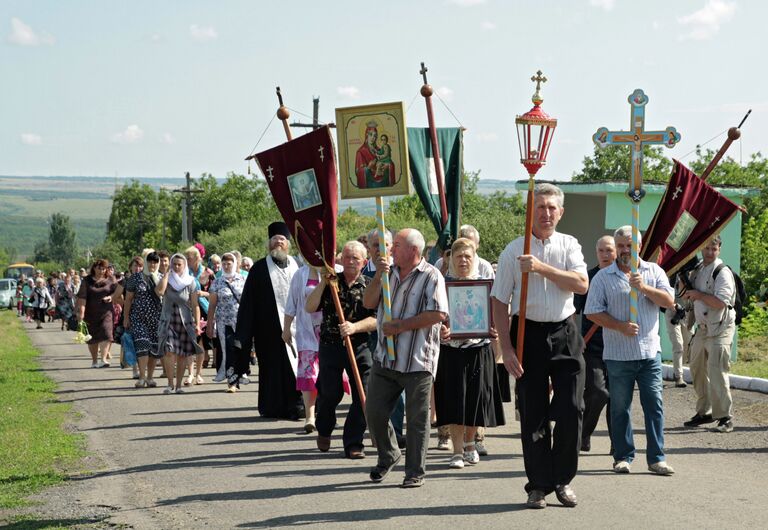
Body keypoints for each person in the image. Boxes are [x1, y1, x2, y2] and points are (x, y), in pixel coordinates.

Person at [490, 183, 588, 509]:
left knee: (572, 407)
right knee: (533, 411)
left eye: (551, 208)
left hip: (564, 331)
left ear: (561, 212)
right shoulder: (513, 250)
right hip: (526, 334)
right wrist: (506, 349)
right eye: (540, 207)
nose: (545, 213)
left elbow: (580, 283)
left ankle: (563, 480)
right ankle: (538, 485)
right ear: (530, 212)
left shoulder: (569, 245)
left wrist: (541, 268)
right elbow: (499, 301)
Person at [585, 226, 676, 476]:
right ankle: (623, 456)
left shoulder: (653, 271)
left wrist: (645, 288)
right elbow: (592, 311)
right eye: (621, 246)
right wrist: (619, 326)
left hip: (649, 354)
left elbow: (669, 302)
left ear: (639, 246)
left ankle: (657, 458)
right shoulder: (604, 277)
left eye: (630, 245)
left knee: (654, 405)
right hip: (618, 355)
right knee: (620, 407)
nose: (625, 250)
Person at [364, 228, 448, 488]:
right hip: (385, 359)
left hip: (417, 360)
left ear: (413, 250)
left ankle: (414, 471)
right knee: (374, 411)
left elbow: (437, 314)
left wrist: (401, 326)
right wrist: (379, 274)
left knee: (417, 419)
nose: (390, 250)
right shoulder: (387, 274)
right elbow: (368, 303)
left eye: (396, 245)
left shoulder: (431, 276)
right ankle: (389, 453)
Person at [434, 238, 504, 469]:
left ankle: (470, 444)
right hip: (451, 352)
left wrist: (494, 329)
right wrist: (442, 328)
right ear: (451, 259)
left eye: (467, 256)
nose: (463, 260)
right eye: (458, 256)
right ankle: (456, 451)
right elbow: (435, 316)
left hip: (479, 350)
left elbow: (497, 314)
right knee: (454, 401)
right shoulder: (442, 285)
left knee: (475, 401)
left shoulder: (487, 286)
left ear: (475, 258)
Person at [307, 241, 377, 458]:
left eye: (355, 258)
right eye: (346, 257)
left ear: (364, 262)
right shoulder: (331, 283)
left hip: (360, 345)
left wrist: (355, 327)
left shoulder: (370, 284)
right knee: (330, 393)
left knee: (364, 394)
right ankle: (325, 428)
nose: (350, 261)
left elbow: (378, 319)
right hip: (331, 345)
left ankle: (353, 442)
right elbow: (309, 307)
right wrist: (322, 284)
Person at [235, 222, 304, 420]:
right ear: (269, 244)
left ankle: (297, 405)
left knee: (297, 366)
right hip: (268, 331)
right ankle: (272, 407)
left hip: (298, 328)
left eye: (281, 240)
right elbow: (248, 304)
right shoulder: (258, 269)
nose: (278, 244)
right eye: (274, 240)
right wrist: (244, 336)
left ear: (288, 244)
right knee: (272, 369)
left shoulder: (298, 266)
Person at [683, 236, 737, 433]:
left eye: (713, 248)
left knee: (716, 370)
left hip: (720, 328)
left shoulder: (722, 272)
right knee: (697, 368)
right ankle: (704, 412)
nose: (709, 252)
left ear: (719, 249)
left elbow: (721, 302)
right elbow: (687, 293)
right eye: (705, 248)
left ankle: (725, 417)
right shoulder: (698, 268)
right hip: (702, 328)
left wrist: (698, 295)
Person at [573, 235, 616, 452]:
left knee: (617, 397)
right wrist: (574, 340)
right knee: (599, 392)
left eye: (609, 250)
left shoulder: (624, 277)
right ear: (596, 252)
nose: (606, 255)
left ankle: (616, 443)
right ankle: (584, 433)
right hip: (592, 346)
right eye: (602, 251)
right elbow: (573, 311)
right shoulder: (587, 278)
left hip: (619, 346)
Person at [283, 263, 324, 431]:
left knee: (329, 377)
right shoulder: (300, 275)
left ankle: (327, 414)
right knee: (308, 375)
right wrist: (286, 329)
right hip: (306, 332)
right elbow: (291, 302)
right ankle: (310, 417)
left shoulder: (336, 271)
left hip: (331, 334)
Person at [156, 253, 203, 394]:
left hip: (185, 322)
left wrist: (197, 324)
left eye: (179, 264)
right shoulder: (166, 279)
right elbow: (159, 291)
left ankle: (179, 386)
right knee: (169, 351)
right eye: (174, 264)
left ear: (184, 266)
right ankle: (170, 384)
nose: (176, 267)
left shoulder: (191, 282)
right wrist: (166, 274)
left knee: (183, 354)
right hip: (169, 320)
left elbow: (195, 305)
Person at [207, 252, 246, 391]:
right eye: (224, 263)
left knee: (239, 349)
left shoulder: (242, 280)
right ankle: (232, 381)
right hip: (224, 322)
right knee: (228, 349)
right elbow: (212, 305)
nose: (226, 266)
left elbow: (249, 302)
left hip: (240, 322)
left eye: (229, 263)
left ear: (234, 264)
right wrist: (210, 325)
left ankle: (240, 374)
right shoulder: (217, 282)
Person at [123, 252, 163, 388]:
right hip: (138, 318)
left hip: (157, 319)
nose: (152, 265)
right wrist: (126, 317)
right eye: (150, 262)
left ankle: (150, 378)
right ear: (146, 262)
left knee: (153, 349)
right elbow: (128, 299)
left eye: (155, 262)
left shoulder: (162, 277)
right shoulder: (135, 278)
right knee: (142, 346)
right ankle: (141, 377)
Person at [76, 260, 118, 368]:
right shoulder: (87, 280)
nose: (101, 271)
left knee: (107, 333)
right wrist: (81, 313)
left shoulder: (111, 279)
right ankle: (94, 360)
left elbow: (117, 292)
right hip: (91, 313)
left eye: (104, 268)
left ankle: (103, 359)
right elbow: (82, 297)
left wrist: (111, 297)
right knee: (92, 338)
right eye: (99, 268)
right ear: (94, 268)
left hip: (106, 312)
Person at [185, 245, 215, 384]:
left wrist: (204, 293)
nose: (187, 261)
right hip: (188, 308)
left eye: (189, 258)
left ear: (197, 258)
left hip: (205, 309)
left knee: (201, 341)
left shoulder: (208, 273)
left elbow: (216, 293)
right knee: (189, 341)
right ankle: (190, 373)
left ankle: (199, 373)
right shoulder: (185, 273)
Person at [665, 272, 694, 388]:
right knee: (678, 345)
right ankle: (678, 377)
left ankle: (678, 369)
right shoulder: (668, 273)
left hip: (687, 313)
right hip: (672, 312)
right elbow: (663, 292)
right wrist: (673, 305)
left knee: (688, 345)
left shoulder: (690, 274)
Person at [355, 121, 395, 189]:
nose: (373, 138)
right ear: (366, 135)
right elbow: (358, 171)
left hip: (383, 181)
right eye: (371, 134)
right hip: (370, 183)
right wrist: (368, 167)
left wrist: (388, 166)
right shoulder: (361, 152)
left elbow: (390, 162)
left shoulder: (379, 150)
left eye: (375, 135)